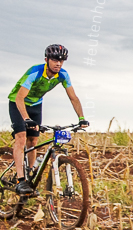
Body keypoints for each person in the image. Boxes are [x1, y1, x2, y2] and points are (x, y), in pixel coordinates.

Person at [8, 45, 88, 196]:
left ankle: (30, 174)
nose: (58, 63)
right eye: (55, 60)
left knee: (33, 141)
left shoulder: (63, 75)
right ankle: (20, 180)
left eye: (61, 60)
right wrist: (26, 118)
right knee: (21, 138)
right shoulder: (35, 72)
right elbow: (19, 98)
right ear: (46, 60)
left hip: (36, 105)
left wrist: (81, 118)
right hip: (18, 103)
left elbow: (73, 97)